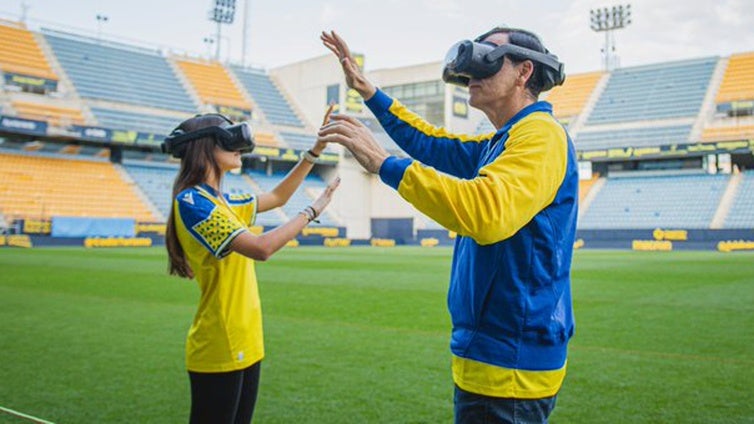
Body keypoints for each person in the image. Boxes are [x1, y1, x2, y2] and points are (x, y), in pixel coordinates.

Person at [319, 27, 577, 423]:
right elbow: (433, 143)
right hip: (493, 356)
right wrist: (370, 93)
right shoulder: (502, 141)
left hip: (509, 364)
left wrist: (384, 163)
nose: (470, 73)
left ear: (525, 72)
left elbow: (486, 213)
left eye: (487, 60)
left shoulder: (540, 136)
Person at [162, 113, 340, 424]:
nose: (238, 149)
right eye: (228, 140)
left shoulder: (224, 201)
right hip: (220, 343)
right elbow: (262, 249)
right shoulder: (192, 201)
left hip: (248, 338)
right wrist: (312, 211)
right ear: (205, 146)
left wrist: (316, 150)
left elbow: (277, 196)